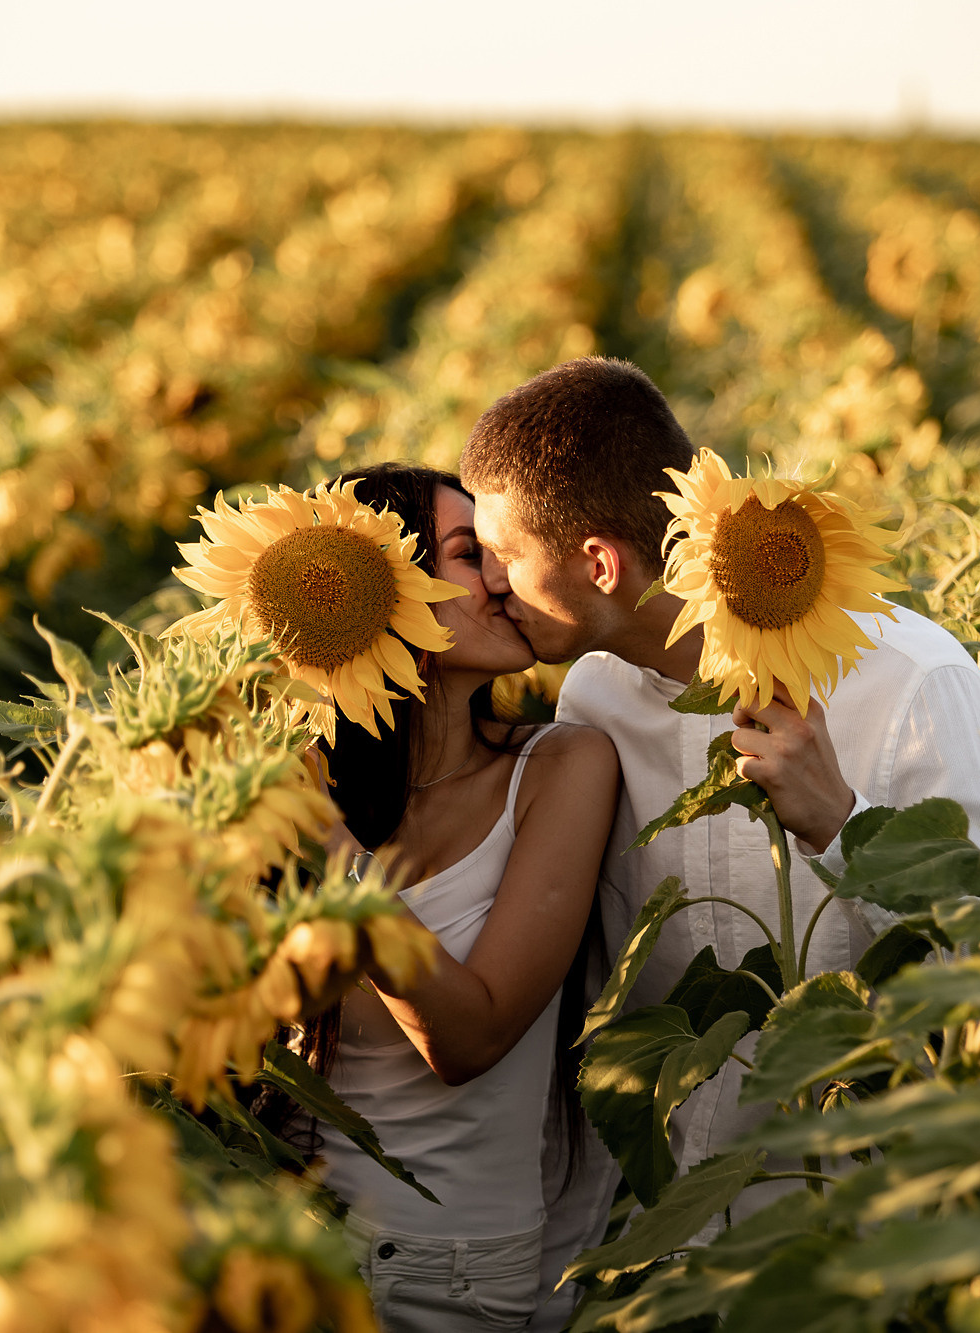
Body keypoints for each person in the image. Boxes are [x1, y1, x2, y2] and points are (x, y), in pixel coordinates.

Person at [458, 357, 980, 1329]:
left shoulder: (910, 677)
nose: (487, 584)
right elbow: (609, 1007)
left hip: (887, 1248)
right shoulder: (591, 698)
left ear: (597, 564)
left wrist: (842, 828)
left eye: (503, 556)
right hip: (690, 1257)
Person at [302, 462, 620, 1333]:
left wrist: (332, 854)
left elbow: (468, 1036)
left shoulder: (559, 767)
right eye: (467, 553)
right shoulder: (309, 781)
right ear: (381, 591)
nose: (502, 578)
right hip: (292, 1251)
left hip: (455, 1275)